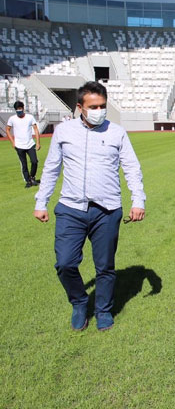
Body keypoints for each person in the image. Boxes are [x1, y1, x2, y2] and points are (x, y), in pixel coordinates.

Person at [33, 81, 146, 331]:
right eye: (93, 106)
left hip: (106, 210)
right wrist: (41, 202)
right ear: (80, 107)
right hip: (71, 209)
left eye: (103, 106)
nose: (99, 110)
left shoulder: (116, 133)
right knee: (65, 263)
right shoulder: (64, 132)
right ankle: (80, 302)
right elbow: (51, 169)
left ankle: (103, 310)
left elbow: (132, 168)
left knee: (105, 266)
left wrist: (138, 200)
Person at [6, 101, 41, 188]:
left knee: (34, 161)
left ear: (23, 108)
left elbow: (36, 129)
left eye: (20, 109)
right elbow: (7, 129)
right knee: (24, 164)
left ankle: (32, 177)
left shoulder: (30, 117)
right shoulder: (12, 119)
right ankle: (28, 181)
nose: (19, 110)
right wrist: (13, 142)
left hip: (30, 144)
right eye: (17, 109)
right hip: (19, 145)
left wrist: (38, 142)